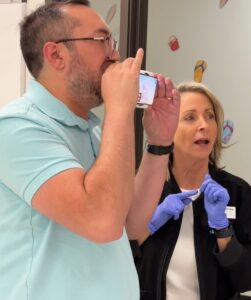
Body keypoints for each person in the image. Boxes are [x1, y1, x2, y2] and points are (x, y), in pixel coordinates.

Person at [0, 1, 180, 300]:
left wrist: (159, 142)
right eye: (101, 40)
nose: (115, 55)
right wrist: (120, 107)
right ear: (56, 54)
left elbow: (131, 223)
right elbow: (102, 221)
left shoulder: (94, 129)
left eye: (113, 41)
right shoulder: (16, 128)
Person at [136, 81, 251, 300]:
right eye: (190, 117)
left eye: (210, 116)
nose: (204, 125)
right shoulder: (145, 188)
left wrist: (223, 231)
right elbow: (115, 261)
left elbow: (246, 279)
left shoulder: (237, 192)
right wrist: (147, 227)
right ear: (169, 127)